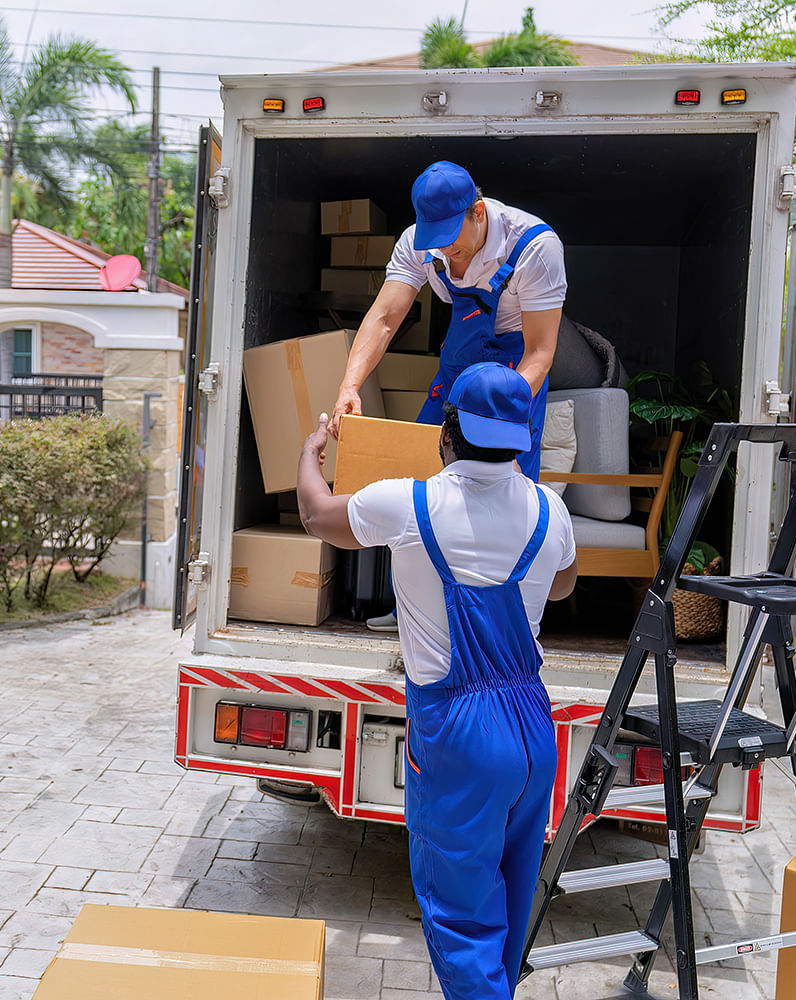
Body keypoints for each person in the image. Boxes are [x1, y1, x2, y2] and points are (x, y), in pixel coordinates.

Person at [298, 362, 577, 1000]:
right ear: (520, 440)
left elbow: (317, 516)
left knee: (462, 919)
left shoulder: (406, 503)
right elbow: (562, 584)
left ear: (445, 435)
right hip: (534, 731)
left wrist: (311, 453)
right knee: (507, 904)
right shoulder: (550, 511)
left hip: (460, 735)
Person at [330, 160, 566, 483]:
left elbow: (540, 353)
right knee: (421, 472)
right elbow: (385, 318)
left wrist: (502, 417)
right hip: (456, 367)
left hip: (514, 376)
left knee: (504, 491)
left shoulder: (534, 248)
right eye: (434, 237)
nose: (443, 247)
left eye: (451, 236)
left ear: (478, 212)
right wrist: (349, 386)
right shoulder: (419, 245)